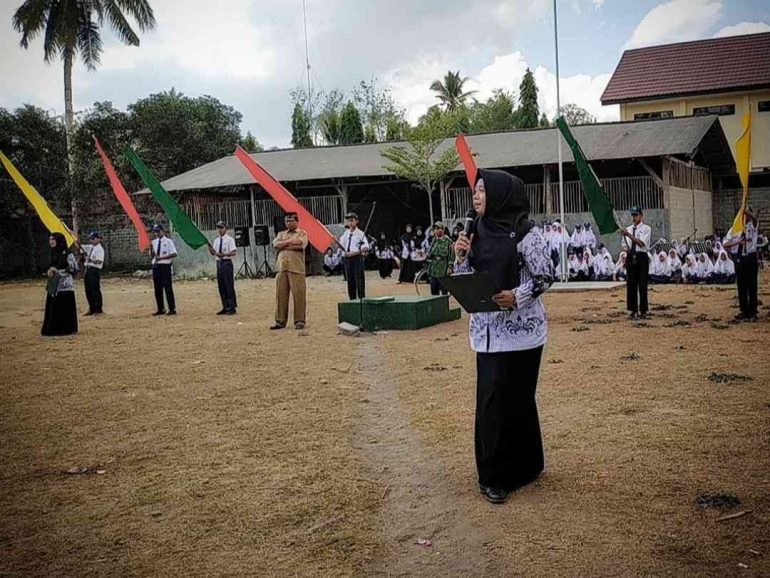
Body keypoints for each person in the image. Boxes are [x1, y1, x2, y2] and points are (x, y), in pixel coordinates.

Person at [453, 168, 554, 505]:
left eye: (482, 190)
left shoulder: (526, 233)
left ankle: (528, 465)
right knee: (491, 402)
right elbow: (466, 277)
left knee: (520, 400)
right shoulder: (475, 232)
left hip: (524, 333)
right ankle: (494, 477)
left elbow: (545, 275)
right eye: (475, 191)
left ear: (500, 195)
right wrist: (460, 256)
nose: (476, 196)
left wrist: (517, 296)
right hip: (486, 332)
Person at [271, 212, 308, 330]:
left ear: (297, 221)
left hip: (296, 268)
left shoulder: (302, 233)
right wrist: (289, 242)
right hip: (281, 268)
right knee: (280, 295)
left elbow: (300, 244)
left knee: (299, 295)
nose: (289, 223)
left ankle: (299, 321)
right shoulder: (281, 233)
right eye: (287, 221)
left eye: (291, 220)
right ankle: (280, 321)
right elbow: (275, 244)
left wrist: (284, 244)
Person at [42, 232, 80, 336]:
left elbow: (74, 269)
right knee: (53, 305)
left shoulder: (68, 254)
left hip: (65, 286)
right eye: (50, 239)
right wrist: (50, 271)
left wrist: (58, 271)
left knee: (63, 306)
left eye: (53, 239)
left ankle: (65, 329)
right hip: (54, 284)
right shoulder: (53, 253)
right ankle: (52, 328)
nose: (51, 242)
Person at [724, 210, 759, 321]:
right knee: (741, 286)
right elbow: (725, 244)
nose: (744, 217)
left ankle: (753, 311)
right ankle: (744, 310)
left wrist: (748, 212)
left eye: (745, 216)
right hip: (739, 259)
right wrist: (737, 242)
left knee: (752, 285)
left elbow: (755, 220)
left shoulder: (752, 226)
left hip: (751, 258)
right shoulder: (734, 229)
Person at [619, 206, 652, 320]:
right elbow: (624, 245)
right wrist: (628, 250)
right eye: (632, 215)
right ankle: (632, 310)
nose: (634, 218)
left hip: (641, 256)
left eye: (636, 215)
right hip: (631, 256)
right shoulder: (628, 229)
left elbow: (641, 243)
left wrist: (628, 235)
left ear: (641, 216)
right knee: (631, 284)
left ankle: (643, 310)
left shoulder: (646, 228)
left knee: (642, 285)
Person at [208, 220, 237, 315]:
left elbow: (233, 252)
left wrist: (224, 254)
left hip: (226, 262)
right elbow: (214, 253)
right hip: (219, 263)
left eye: (221, 228)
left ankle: (231, 306)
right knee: (221, 286)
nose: (220, 230)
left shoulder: (229, 240)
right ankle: (225, 306)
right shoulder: (216, 240)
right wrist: (209, 247)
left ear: (226, 228)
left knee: (228, 285)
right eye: (218, 228)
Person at [339, 212, 369, 300]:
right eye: (348, 221)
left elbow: (365, 248)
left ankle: (361, 300)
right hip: (347, 260)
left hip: (357, 259)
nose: (350, 223)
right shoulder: (346, 233)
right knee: (350, 281)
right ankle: (352, 300)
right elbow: (342, 245)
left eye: (352, 221)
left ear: (357, 221)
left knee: (359, 280)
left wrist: (354, 253)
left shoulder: (360, 234)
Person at [150, 224, 178, 316]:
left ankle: (172, 308)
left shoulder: (169, 241)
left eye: (158, 231)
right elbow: (152, 256)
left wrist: (162, 258)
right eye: (155, 232)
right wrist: (151, 250)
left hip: (165, 266)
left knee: (167, 287)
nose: (157, 233)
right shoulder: (154, 242)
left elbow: (174, 254)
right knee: (157, 288)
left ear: (163, 231)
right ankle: (160, 308)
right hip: (156, 266)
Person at [426, 221, 454, 295]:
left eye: (438, 228)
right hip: (434, 268)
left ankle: (444, 305)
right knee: (433, 289)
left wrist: (450, 267)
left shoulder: (448, 241)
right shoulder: (434, 240)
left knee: (444, 290)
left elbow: (451, 255)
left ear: (443, 229)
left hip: (443, 268)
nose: (436, 230)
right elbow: (430, 252)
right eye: (435, 229)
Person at [83, 231, 105, 316]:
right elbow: (79, 246)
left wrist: (90, 260)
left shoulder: (100, 249)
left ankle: (98, 309)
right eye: (91, 239)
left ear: (98, 239)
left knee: (94, 289)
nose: (91, 240)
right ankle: (92, 308)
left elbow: (99, 261)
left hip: (94, 270)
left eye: (93, 238)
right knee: (88, 290)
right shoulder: (91, 247)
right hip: (88, 269)